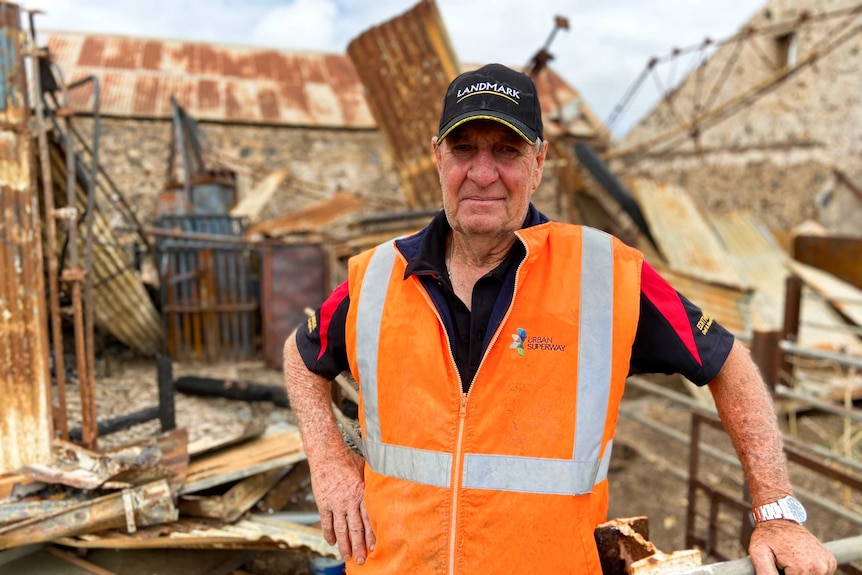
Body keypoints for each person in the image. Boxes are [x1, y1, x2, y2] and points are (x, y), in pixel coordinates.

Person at [283, 63, 836, 574]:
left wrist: (777, 510)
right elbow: (301, 355)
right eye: (464, 148)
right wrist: (329, 461)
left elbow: (728, 362)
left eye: (506, 150)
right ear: (437, 157)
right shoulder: (379, 274)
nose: (482, 173)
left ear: (539, 163)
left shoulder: (604, 275)